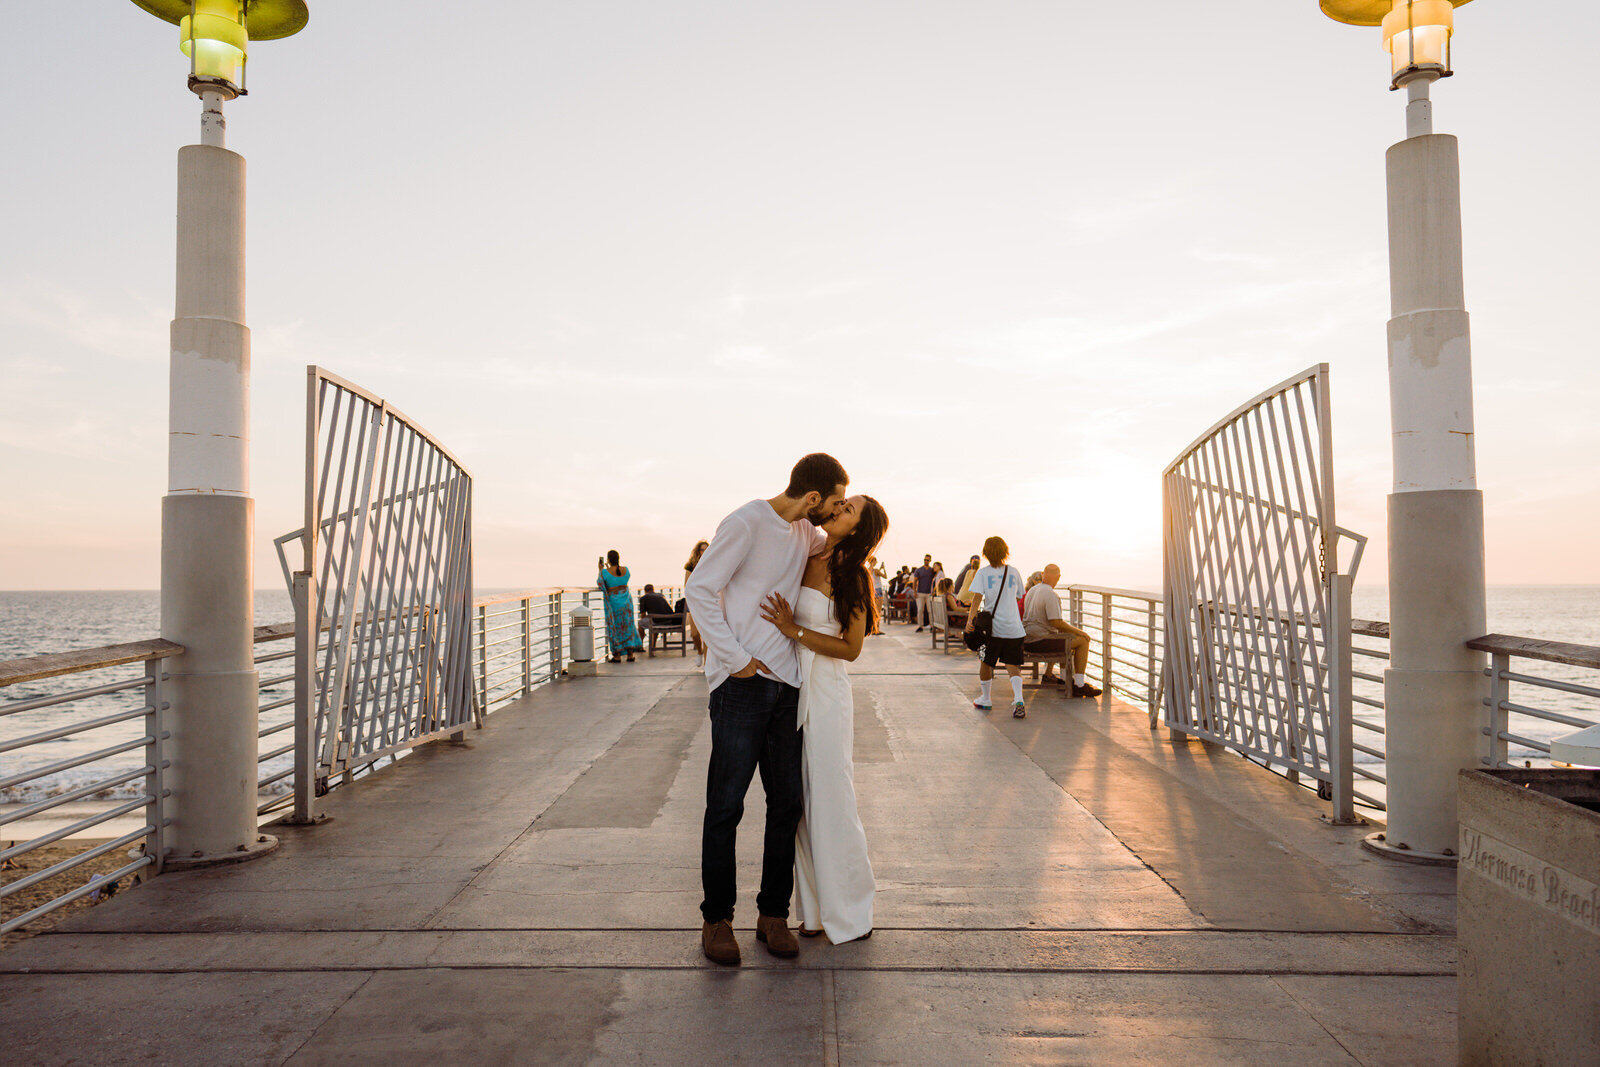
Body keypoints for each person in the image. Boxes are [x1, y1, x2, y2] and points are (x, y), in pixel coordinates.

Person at [684, 453, 850, 966]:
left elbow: (843, 544)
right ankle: (717, 921)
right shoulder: (747, 522)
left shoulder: (807, 533)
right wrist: (735, 661)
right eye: (837, 501)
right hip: (743, 687)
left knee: (786, 806)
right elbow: (699, 588)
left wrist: (863, 518)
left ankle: (772, 916)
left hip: (789, 690)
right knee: (726, 806)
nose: (837, 510)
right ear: (814, 498)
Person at [761, 494, 888, 945]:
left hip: (827, 693)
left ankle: (851, 909)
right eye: (840, 504)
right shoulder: (810, 552)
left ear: (858, 529)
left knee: (832, 798)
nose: (837, 511)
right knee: (800, 802)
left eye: (847, 510)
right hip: (793, 688)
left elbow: (851, 649)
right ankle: (814, 911)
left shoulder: (854, 574)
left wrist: (791, 629)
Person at [964, 536, 1028, 718]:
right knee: (1013, 664)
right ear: (1004, 552)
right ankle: (1018, 699)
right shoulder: (1013, 572)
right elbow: (1018, 596)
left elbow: (976, 598)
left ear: (985, 553)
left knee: (986, 662)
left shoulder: (983, 573)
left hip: (992, 629)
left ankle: (986, 698)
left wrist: (971, 621)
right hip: (1014, 627)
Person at [1023, 563, 1102, 697]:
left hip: (1026, 640)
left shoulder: (1032, 590)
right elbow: (1056, 622)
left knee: (1064, 636)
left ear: (1043, 574)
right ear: (1058, 577)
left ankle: (1063, 679)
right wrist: (1079, 631)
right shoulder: (1050, 594)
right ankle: (1079, 685)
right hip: (1039, 642)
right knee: (1082, 641)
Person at [597, 550, 643, 663]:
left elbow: (600, 584)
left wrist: (600, 570)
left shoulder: (604, 572)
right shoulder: (626, 570)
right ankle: (630, 654)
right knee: (628, 626)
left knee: (615, 627)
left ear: (608, 559)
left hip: (614, 603)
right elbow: (620, 577)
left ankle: (617, 655)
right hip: (626, 601)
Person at [684, 539, 709, 666]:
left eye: (706, 549)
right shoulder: (690, 565)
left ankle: (706, 663)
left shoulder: (712, 563)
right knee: (694, 633)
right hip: (693, 602)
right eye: (702, 549)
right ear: (697, 551)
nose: (704, 552)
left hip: (707, 601)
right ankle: (699, 652)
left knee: (707, 635)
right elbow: (686, 585)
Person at [638, 584, 682, 654]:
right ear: (653, 589)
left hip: (658, 622)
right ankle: (653, 645)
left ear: (645, 591)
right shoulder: (661, 595)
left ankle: (640, 646)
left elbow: (643, 615)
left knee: (641, 623)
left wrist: (645, 622)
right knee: (654, 620)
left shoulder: (644, 598)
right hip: (670, 620)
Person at [911, 554, 936, 632]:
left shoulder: (932, 570)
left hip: (929, 593)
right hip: (920, 593)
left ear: (930, 561)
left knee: (930, 610)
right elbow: (915, 581)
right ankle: (920, 626)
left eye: (927, 560)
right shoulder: (919, 570)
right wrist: (914, 591)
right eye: (925, 560)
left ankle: (932, 625)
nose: (926, 561)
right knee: (920, 609)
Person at [867, 555, 887, 635]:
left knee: (873, 611)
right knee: (878, 611)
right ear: (873, 561)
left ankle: (873, 629)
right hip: (878, 590)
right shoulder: (876, 570)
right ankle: (877, 629)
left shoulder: (868, 570)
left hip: (871, 591)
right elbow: (885, 576)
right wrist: (884, 568)